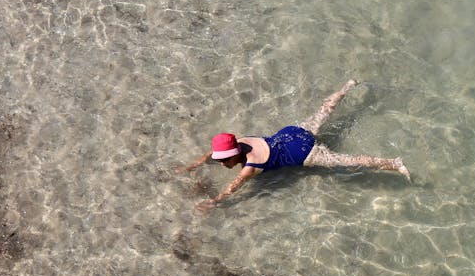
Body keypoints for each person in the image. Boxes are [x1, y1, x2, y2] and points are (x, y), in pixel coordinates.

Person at [176, 80, 410, 213]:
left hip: (304, 153)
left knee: (349, 161)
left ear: (234, 155)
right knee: (323, 111)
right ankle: (347, 86)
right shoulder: (241, 141)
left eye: (223, 160)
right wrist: (195, 164)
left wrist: (214, 201)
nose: (221, 163)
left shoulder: (249, 167)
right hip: (291, 134)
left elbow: (233, 188)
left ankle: (394, 163)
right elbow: (214, 151)